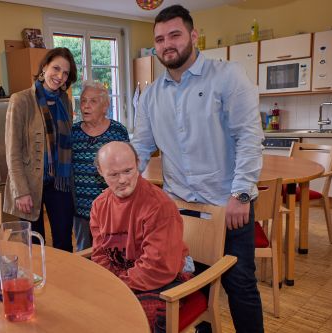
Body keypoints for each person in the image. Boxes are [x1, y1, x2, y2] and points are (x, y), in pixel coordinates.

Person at [131, 5, 265, 333]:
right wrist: (123, 178)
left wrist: (241, 195)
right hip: (182, 211)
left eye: (174, 35)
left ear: (192, 36)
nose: (167, 44)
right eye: (160, 39)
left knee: (240, 286)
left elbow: (249, 137)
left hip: (228, 204)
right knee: (194, 283)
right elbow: (141, 147)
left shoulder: (228, 76)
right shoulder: (150, 97)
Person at [90, 141, 188, 332]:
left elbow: (157, 268)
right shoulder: (99, 205)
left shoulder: (159, 206)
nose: (122, 180)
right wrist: (110, 284)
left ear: (138, 163)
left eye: (128, 171)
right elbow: (100, 254)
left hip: (164, 280)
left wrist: (116, 287)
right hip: (123, 279)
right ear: (101, 172)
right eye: (113, 174)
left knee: (127, 320)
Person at [4, 47, 77, 252]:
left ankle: (63, 282)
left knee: (63, 242)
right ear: (44, 67)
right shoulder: (21, 100)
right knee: (33, 247)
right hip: (29, 184)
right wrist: (21, 191)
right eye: (56, 68)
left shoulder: (65, 101)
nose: (60, 76)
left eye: (65, 73)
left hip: (60, 183)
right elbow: (13, 151)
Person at [72, 80, 129, 251]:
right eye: (83, 101)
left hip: (111, 209)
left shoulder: (118, 131)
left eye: (92, 101)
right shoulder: (72, 132)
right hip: (81, 210)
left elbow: (127, 168)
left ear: (105, 107)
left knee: (112, 252)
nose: (86, 106)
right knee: (85, 254)